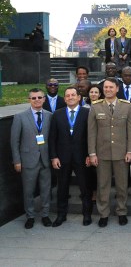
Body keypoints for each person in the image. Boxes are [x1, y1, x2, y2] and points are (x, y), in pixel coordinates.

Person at [88, 77, 131, 227]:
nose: (107, 90)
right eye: (105, 87)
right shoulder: (95, 107)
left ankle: (122, 211)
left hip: (121, 153)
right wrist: (92, 153)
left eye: (111, 87)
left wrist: (130, 151)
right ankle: (104, 214)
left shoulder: (126, 106)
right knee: (103, 185)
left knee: (122, 185)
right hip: (102, 153)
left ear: (117, 89)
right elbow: (91, 133)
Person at [48, 87, 92, 227]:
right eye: (68, 95)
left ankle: (87, 215)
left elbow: (91, 136)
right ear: (65, 98)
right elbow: (52, 138)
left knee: (85, 188)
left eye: (73, 95)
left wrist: (90, 154)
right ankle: (61, 215)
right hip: (62, 158)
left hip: (82, 157)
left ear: (79, 97)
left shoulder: (87, 113)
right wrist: (54, 157)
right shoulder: (57, 114)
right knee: (62, 188)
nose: (71, 97)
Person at [10, 88, 53, 229]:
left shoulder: (49, 115)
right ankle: (30, 216)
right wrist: (17, 160)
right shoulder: (20, 117)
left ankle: (46, 215)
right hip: (28, 160)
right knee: (28, 191)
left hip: (45, 159)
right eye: (33, 98)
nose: (37, 100)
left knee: (46, 190)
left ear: (44, 99)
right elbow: (14, 141)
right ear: (29, 100)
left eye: (39, 97)